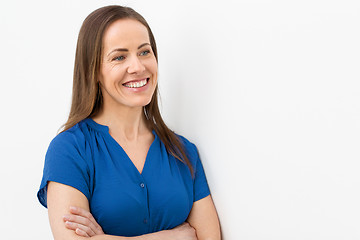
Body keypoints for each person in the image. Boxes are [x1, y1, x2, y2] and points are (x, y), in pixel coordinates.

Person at [37, 5, 221, 240]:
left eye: (144, 52)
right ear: (93, 70)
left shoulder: (183, 152)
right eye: (119, 57)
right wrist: (177, 236)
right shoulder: (70, 149)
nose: (137, 67)